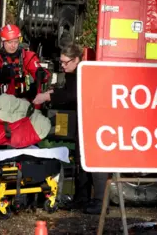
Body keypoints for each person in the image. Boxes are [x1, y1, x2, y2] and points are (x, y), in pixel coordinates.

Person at [32, 44, 108, 215]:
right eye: (62, 63)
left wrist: (48, 96)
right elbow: (69, 92)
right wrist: (55, 91)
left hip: (94, 122)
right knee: (81, 161)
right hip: (84, 121)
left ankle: (99, 202)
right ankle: (82, 199)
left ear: (76, 60)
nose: (63, 66)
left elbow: (74, 94)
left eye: (66, 63)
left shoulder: (83, 72)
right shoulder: (73, 73)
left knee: (94, 163)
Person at [0, 24, 50, 102]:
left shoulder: (27, 56)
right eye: (10, 42)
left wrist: (42, 74)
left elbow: (43, 76)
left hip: (23, 102)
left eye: (16, 42)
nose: (13, 45)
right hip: (0, 103)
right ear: (3, 41)